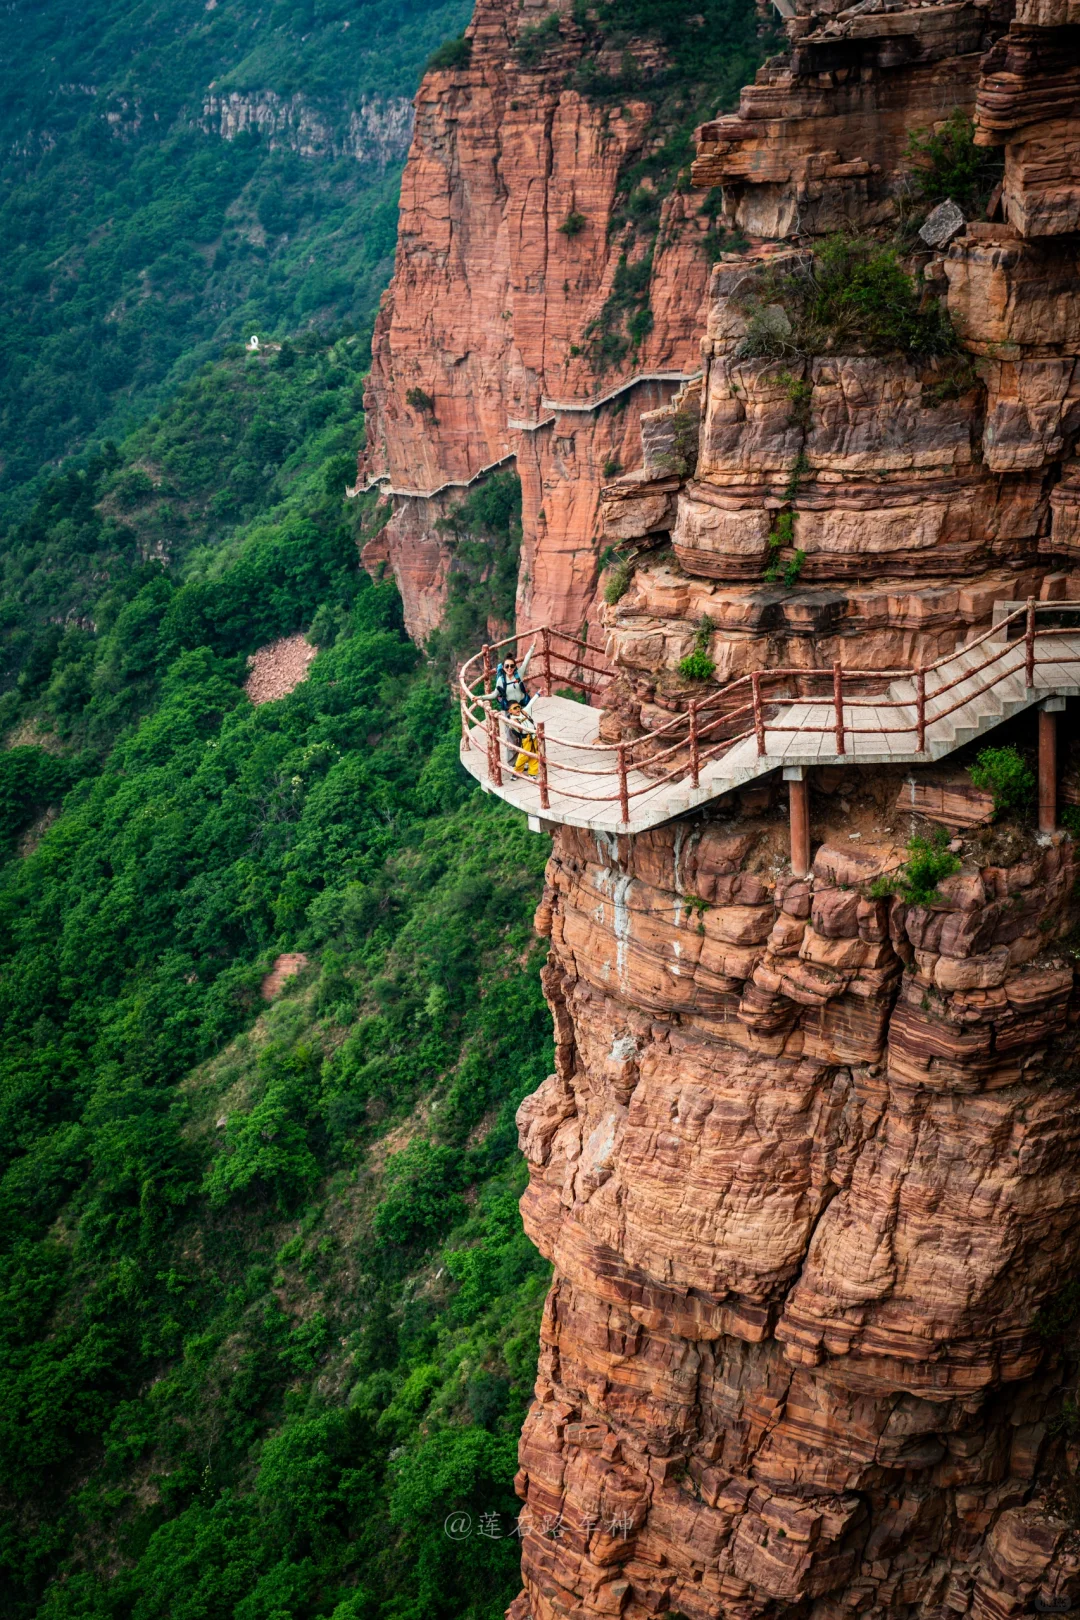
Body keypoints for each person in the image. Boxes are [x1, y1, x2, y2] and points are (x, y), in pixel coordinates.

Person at [495, 644, 535, 763]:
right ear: (503, 667)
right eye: (507, 666)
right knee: (511, 736)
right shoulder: (501, 680)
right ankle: (513, 762)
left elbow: (526, 660)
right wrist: (480, 697)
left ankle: (524, 760)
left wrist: (532, 647)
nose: (509, 668)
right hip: (509, 710)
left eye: (512, 666)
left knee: (525, 734)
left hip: (521, 708)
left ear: (515, 666)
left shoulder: (518, 674)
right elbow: (495, 694)